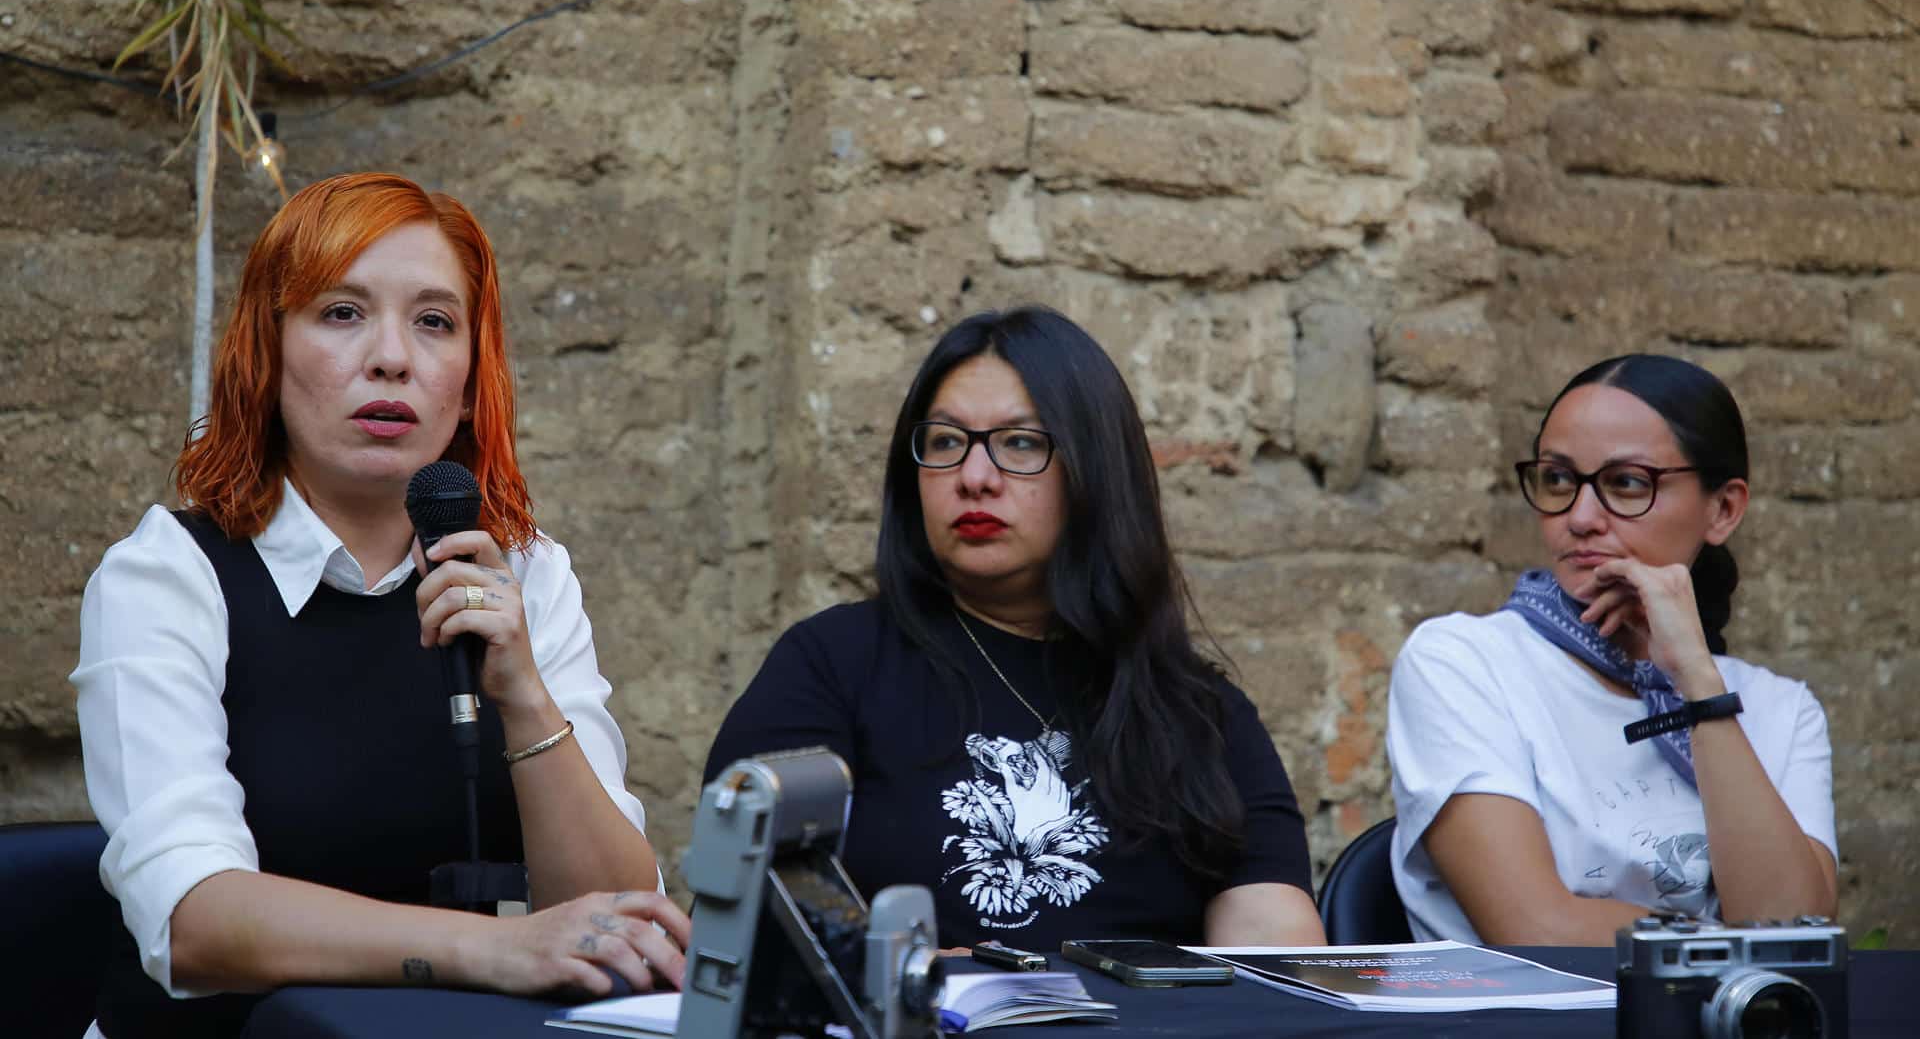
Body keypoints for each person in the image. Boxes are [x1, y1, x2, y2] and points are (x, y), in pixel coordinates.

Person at [73, 173, 688, 1038]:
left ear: (472, 381)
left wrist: (524, 695)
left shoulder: (526, 574)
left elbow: (613, 915)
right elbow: (192, 920)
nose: (393, 356)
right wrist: (494, 951)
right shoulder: (167, 575)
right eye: (342, 312)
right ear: (267, 351)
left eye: (435, 322)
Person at [703, 306, 1324, 950]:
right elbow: (758, 922)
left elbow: (1276, 951)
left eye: (1021, 443)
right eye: (945, 442)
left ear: (1094, 470)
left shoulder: (1199, 713)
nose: (974, 477)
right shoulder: (831, 666)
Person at [1387, 354, 1837, 945]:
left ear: (1722, 509)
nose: (1579, 517)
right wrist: (1728, 943)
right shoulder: (1463, 664)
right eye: (1558, 480)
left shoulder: (1780, 710)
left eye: (1627, 484)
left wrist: (1699, 683)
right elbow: (1536, 929)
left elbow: (1791, 935)